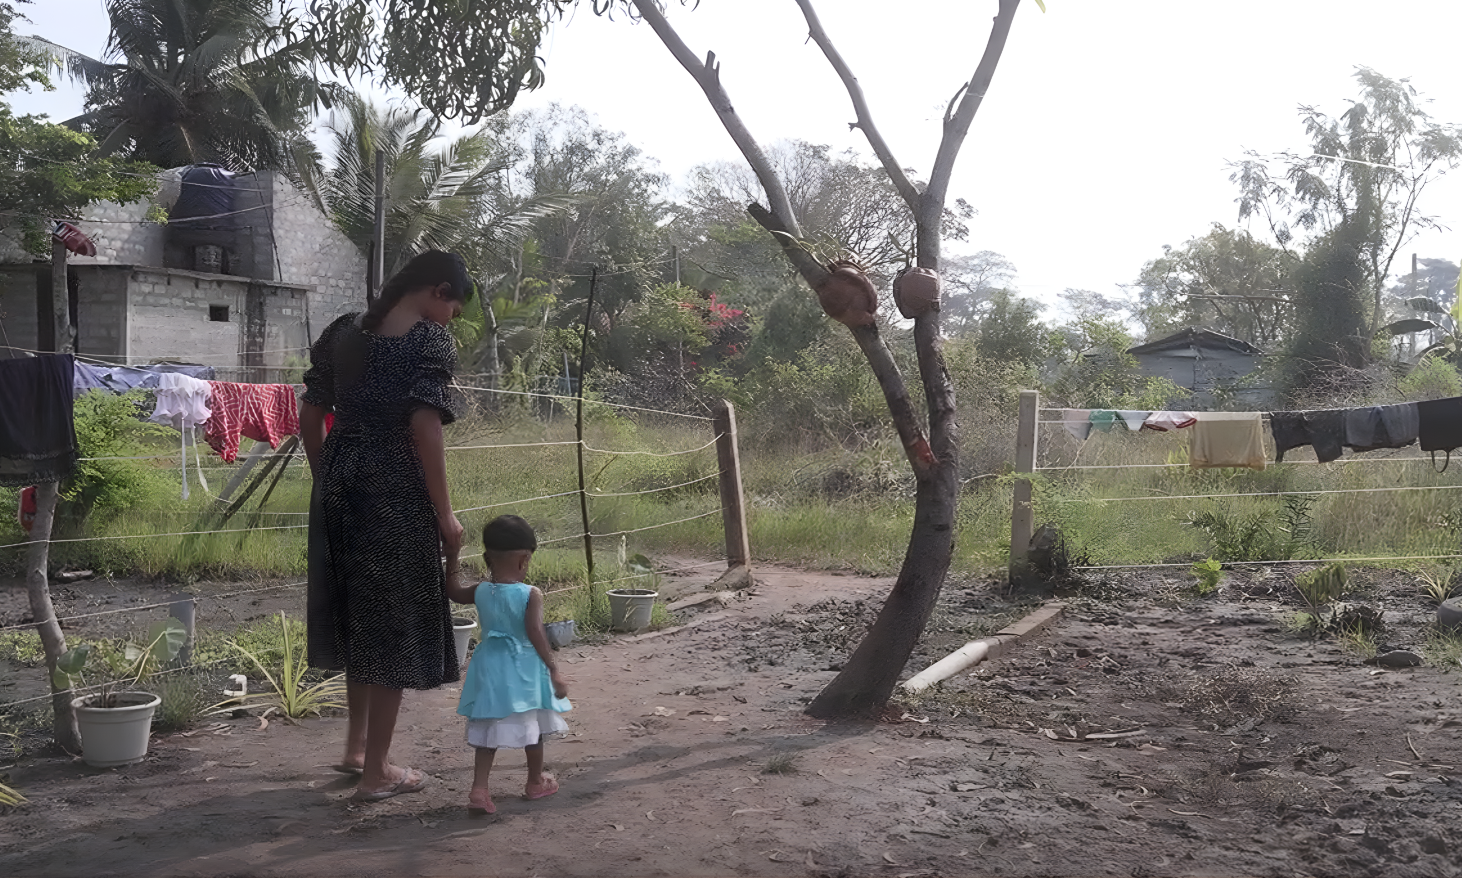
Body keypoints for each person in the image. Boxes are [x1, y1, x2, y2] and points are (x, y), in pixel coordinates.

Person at [301, 250, 473, 802]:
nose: (452, 319)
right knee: (392, 626)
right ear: (438, 291)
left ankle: (356, 750)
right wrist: (445, 512)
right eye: (455, 307)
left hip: (339, 476)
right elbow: (426, 428)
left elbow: (310, 412)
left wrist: (326, 473)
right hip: (395, 490)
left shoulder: (342, 332)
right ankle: (377, 774)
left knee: (358, 617)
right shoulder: (428, 342)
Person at [447, 514, 572, 815]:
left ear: (488, 557)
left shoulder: (479, 591)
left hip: (489, 664)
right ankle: (534, 781)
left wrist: (452, 555)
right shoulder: (530, 594)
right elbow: (534, 633)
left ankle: (479, 789)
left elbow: (451, 590)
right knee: (535, 725)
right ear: (524, 560)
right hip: (525, 666)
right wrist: (553, 669)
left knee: (489, 726)